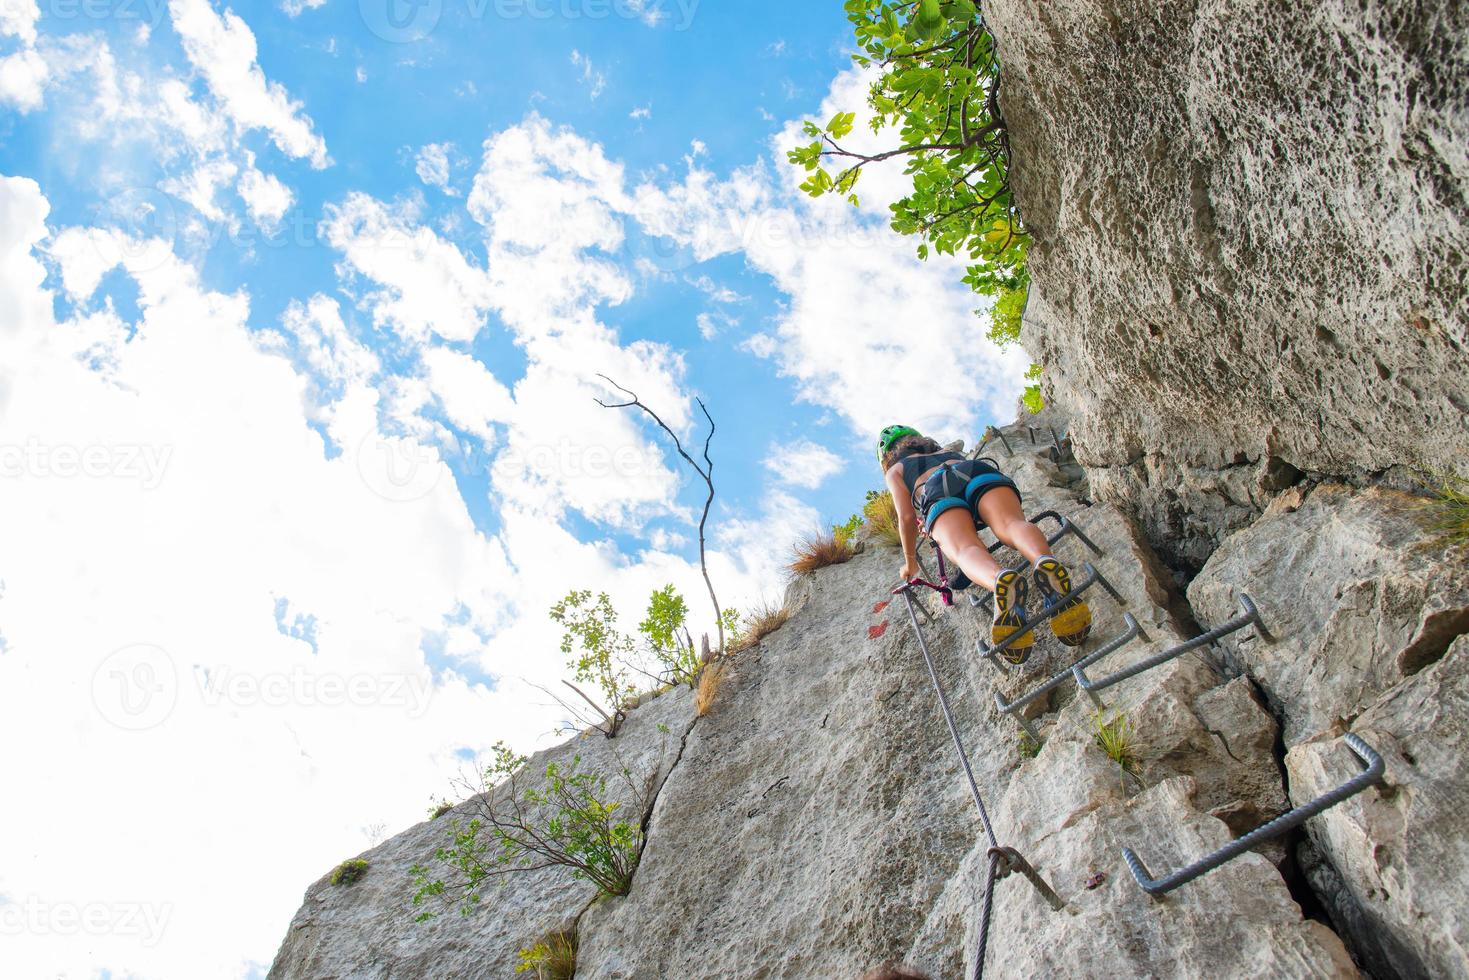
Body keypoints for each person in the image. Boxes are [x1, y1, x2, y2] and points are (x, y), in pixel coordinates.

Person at [878, 424, 1092, 662]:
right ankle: (1043, 559)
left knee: (965, 548)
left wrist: (910, 563)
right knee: (1011, 524)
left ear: (887, 456)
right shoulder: (947, 451)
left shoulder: (895, 470)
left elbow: (906, 517)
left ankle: (1000, 580)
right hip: (977, 470)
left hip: (937, 489)